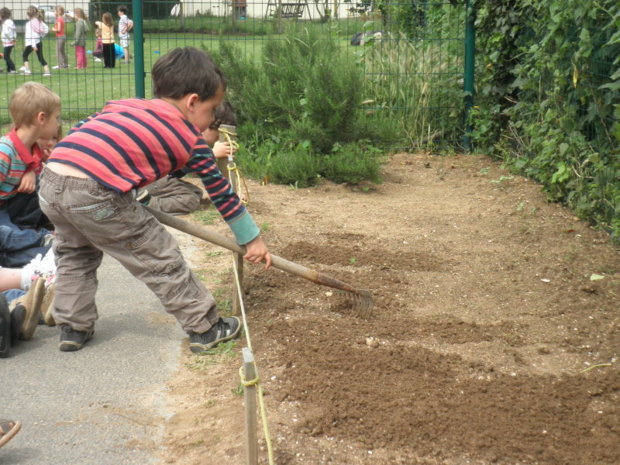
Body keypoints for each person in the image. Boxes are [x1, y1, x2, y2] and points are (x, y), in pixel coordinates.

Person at [39, 47, 272, 353]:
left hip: (51, 180)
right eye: (212, 109)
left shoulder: (124, 106)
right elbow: (221, 193)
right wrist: (252, 239)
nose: (212, 119)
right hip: (95, 192)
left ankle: (72, 325)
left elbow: (86, 134)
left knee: (75, 253)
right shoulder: (190, 137)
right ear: (192, 102)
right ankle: (205, 327)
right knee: (158, 255)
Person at [138, 100, 239, 215]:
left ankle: (145, 197)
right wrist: (212, 153)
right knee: (190, 199)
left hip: (154, 177)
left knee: (196, 193)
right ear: (207, 125)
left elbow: (180, 168)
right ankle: (145, 204)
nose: (216, 141)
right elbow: (189, 161)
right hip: (147, 178)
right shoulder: (187, 137)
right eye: (217, 136)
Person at [0, 82, 60, 267]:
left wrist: (31, 171)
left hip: (13, 210)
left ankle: (32, 252)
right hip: (3, 214)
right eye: (56, 118)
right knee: (6, 235)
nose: (58, 124)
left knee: (45, 182)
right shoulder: (4, 152)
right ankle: (41, 242)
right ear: (41, 118)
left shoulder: (35, 149)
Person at [21, 6, 51, 76]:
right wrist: (41, 36)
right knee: (41, 58)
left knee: (24, 55)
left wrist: (33, 45)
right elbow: (46, 29)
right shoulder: (39, 21)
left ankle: (27, 70)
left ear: (28, 15)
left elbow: (31, 36)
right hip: (39, 42)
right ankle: (47, 71)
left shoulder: (29, 24)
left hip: (32, 43)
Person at [0, 8, 17, 74]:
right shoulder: (9, 21)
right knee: (6, 56)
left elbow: (6, 32)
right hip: (9, 42)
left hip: (8, 42)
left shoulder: (6, 23)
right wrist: (14, 38)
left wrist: (11, 40)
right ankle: (9, 69)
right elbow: (13, 31)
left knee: (6, 57)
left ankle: (13, 69)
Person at [51, 5, 67, 69]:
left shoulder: (59, 19)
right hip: (63, 36)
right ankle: (65, 64)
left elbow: (59, 29)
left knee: (58, 51)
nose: (54, 12)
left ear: (59, 12)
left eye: (55, 11)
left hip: (60, 37)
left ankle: (60, 65)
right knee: (62, 51)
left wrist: (53, 29)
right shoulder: (61, 18)